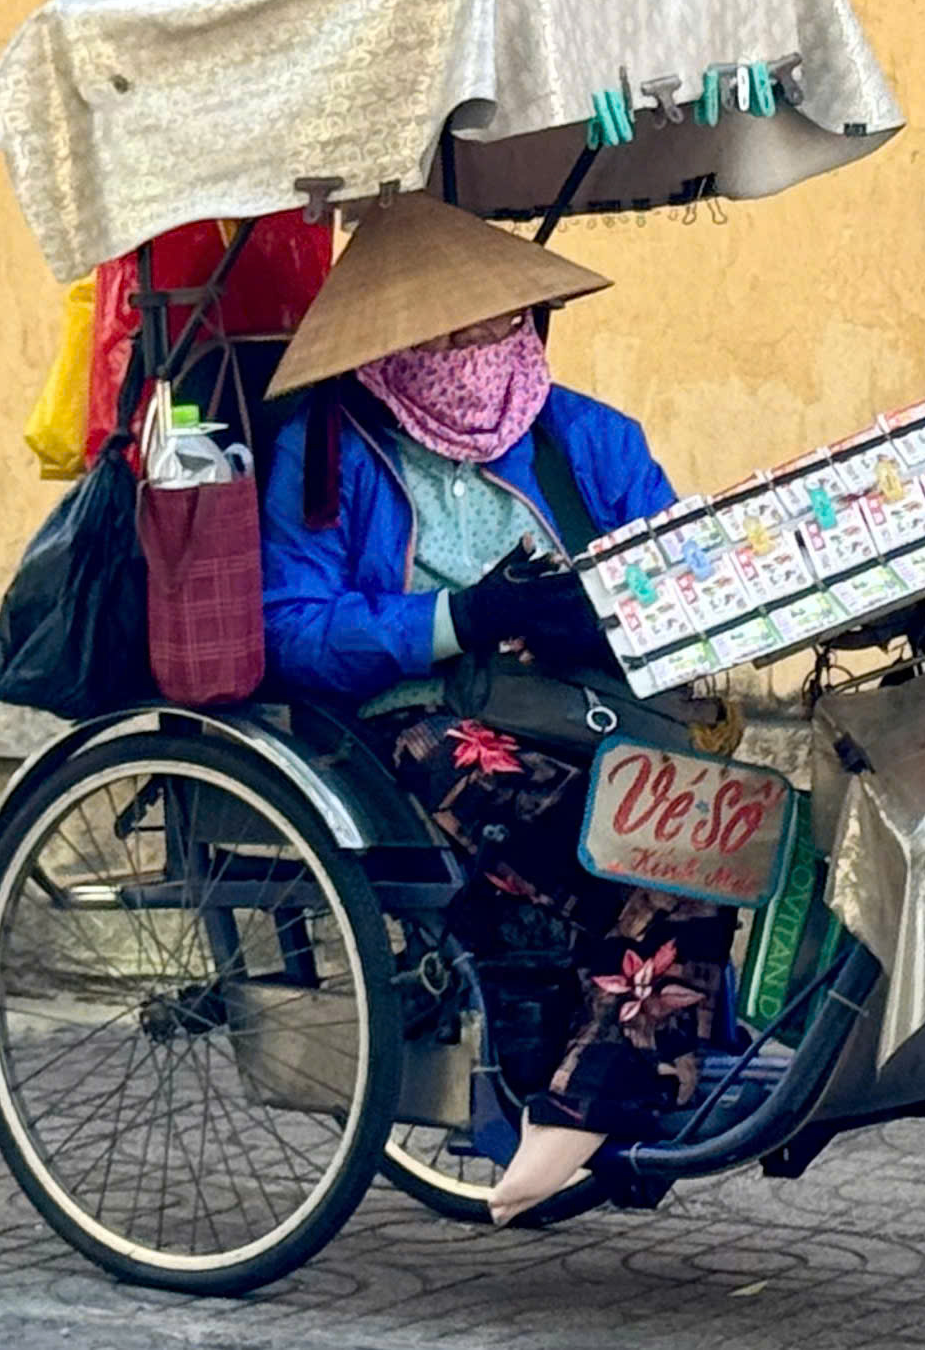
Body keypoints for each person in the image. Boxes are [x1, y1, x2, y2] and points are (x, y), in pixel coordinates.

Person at [261, 194, 734, 1221]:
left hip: (590, 714)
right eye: (449, 334)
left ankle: (587, 1092)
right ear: (392, 345)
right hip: (413, 724)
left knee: (711, 835)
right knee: (643, 853)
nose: (481, 348)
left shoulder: (592, 441)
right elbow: (291, 624)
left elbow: (678, 580)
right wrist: (458, 617)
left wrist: (599, 621)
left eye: (498, 323)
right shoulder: (324, 453)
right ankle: (586, 1112)